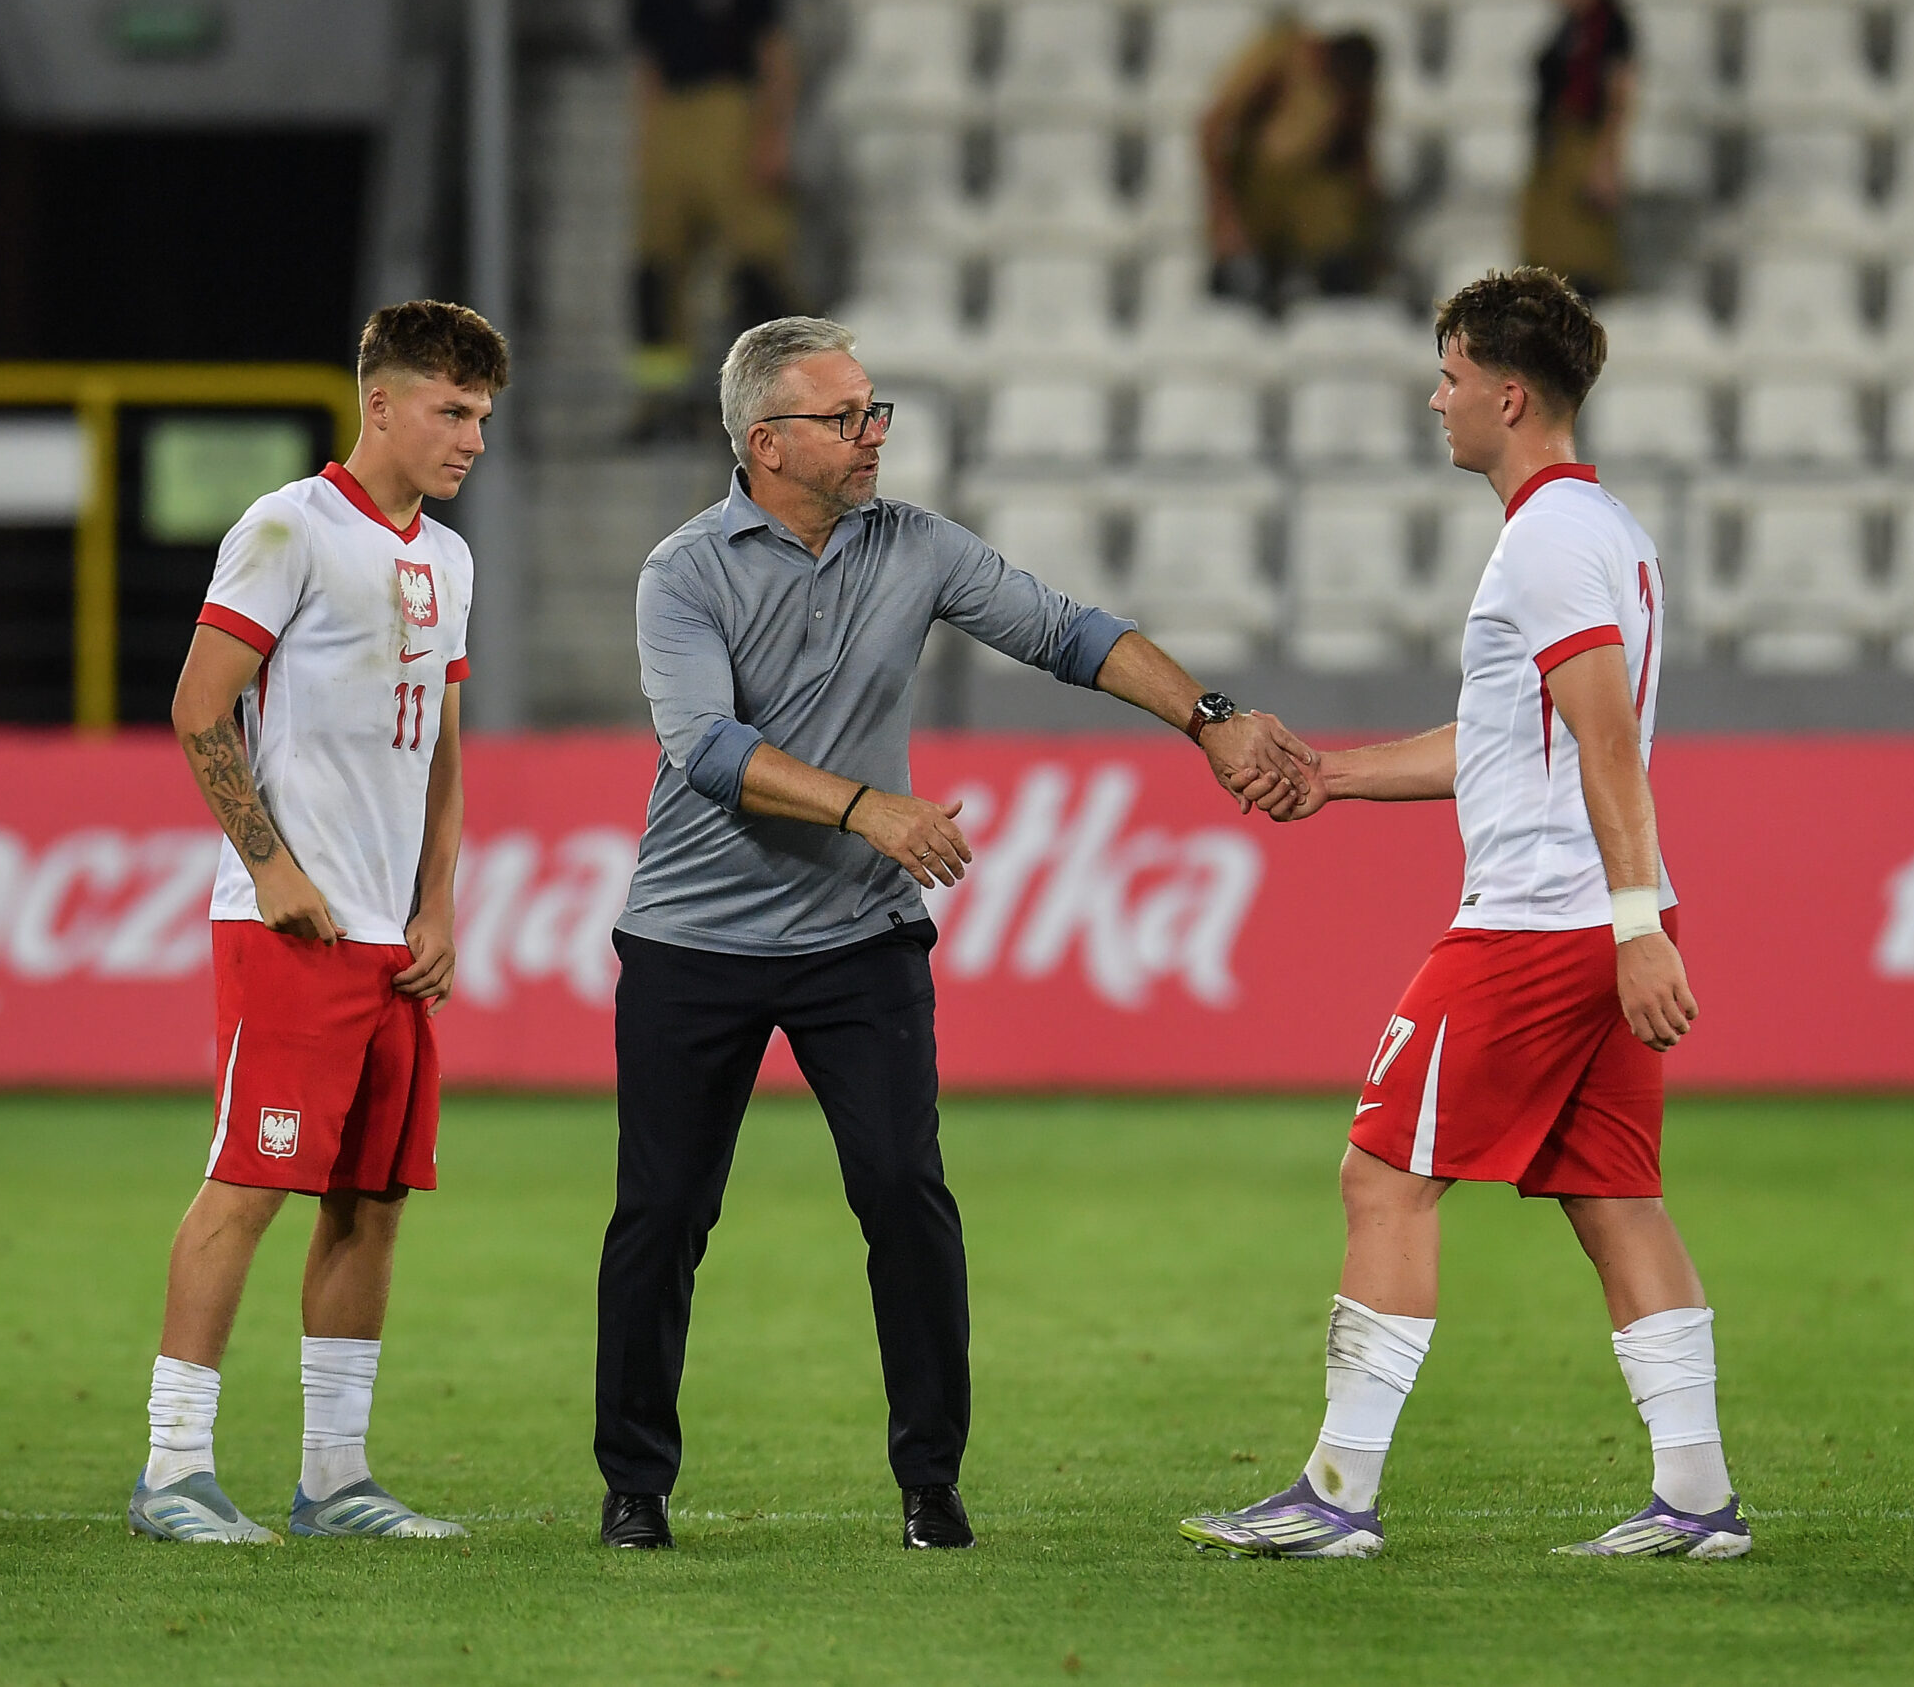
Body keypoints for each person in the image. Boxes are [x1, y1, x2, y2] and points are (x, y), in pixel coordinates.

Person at [594, 317, 1315, 1553]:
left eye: (876, 411)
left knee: (902, 1194)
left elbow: (1069, 632)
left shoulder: (916, 546)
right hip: (693, 943)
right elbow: (703, 752)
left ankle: (931, 1482)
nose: (874, 434)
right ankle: (634, 1487)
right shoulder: (685, 572)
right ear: (765, 443)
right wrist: (870, 808)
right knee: (662, 1215)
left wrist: (1210, 717)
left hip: (856, 942)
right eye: (845, 418)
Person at [1181, 268, 1748, 1562]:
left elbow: (1605, 739)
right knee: (1615, 1195)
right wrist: (1330, 773)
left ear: (1508, 392)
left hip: (1539, 925)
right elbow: (1509, 740)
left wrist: (1626, 921)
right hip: (1596, 916)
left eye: (1447, 377)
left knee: (1382, 1171)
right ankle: (1698, 1497)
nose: (1433, 400)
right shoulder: (1606, 531)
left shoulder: (1544, 541)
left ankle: (1337, 1492)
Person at [129, 301, 509, 1544]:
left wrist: (438, 902)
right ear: (382, 402)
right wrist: (271, 863)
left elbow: (444, 749)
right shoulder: (288, 525)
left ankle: (336, 1481)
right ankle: (173, 1473)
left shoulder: (448, 561)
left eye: (484, 418)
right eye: (453, 412)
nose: (472, 440)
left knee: (373, 1199)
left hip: (392, 947)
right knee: (246, 1185)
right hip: (290, 930)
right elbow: (199, 707)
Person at [631, 0, 801, 390]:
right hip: (673, 112)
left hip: (735, 110)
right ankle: (662, 398)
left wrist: (773, 134)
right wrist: (644, 143)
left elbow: (773, 51)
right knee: (657, 268)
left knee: (757, 264)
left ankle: (777, 390)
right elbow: (648, 65)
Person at [1201, 18, 1385, 309]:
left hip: (1313, 196)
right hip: (1254, 189)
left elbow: (1359, 158)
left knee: (1343, 276)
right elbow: (1214, 127)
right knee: (1237, 289)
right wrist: (1224, 214)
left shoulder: (1352, 91)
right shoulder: (1279, 57)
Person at [1521, 0, 1639, 300]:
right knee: (1545, 260)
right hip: (1557, 147)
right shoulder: (1572, 24)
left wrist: (1607, 160)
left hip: (1584, 145)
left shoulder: (1610, 24)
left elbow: (1619, 95)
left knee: (1582, 259)